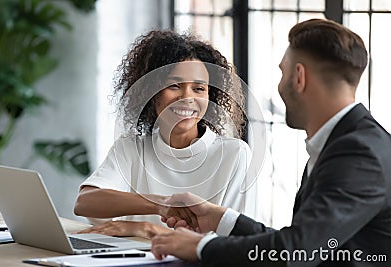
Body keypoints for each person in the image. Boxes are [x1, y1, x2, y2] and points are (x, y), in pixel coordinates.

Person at [151, 18, 391, 266]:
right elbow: (305, 242)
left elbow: (296, 250)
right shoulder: (348, 142)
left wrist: (201, 246)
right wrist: (222, 220)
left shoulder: (358, 154)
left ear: (299, 77)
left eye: (282, 72)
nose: (279, 85)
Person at [73, 30, 252, 239]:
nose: (187, 98)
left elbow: (236, 243)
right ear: (152, 91)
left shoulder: (234, 154)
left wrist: (150, 230)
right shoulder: (131, 148)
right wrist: (162, 204)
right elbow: (85, 202)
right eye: (174, 86)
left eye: (199, 88)